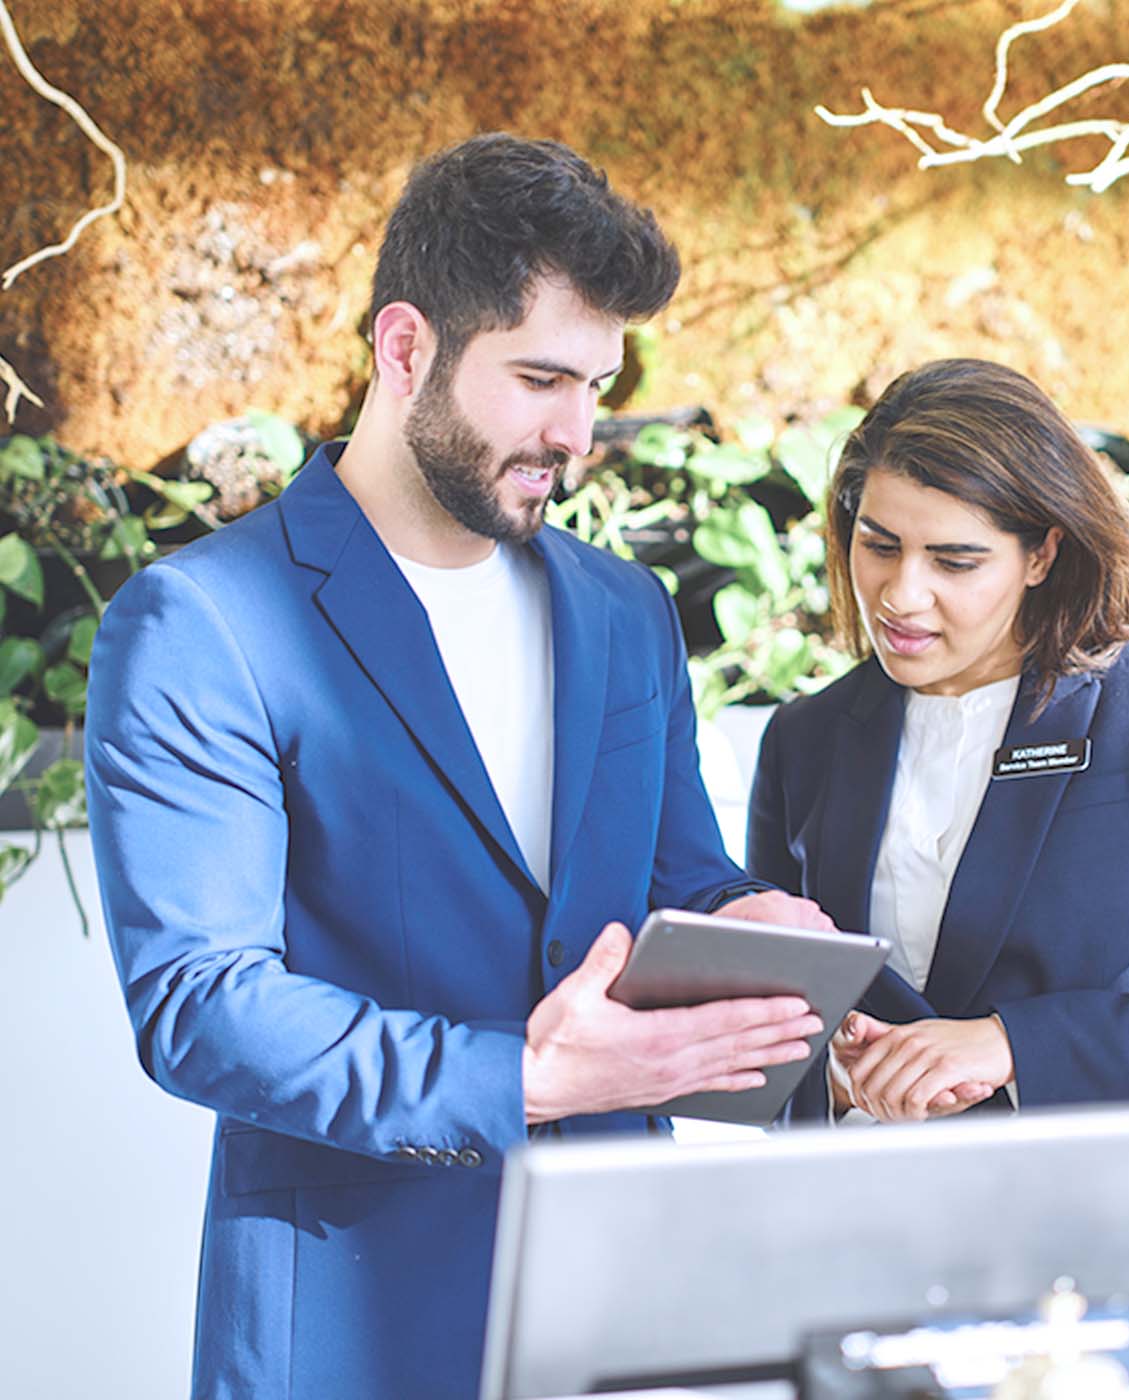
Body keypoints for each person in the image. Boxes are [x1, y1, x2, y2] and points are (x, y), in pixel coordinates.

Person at [85, 133, 830, 1400]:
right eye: (540, 377)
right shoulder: (200, 622)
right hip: (348, 1322)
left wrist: (738, 918)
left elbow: (673, 873)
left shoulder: (625, 609)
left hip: (618, 1306)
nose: (577, 432)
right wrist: (523, 1079)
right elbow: (199, 1004)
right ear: (405, 348)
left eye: (598, 383)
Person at [746, 358, 1129, 1125]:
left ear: (1043, 554)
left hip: (1098, 1217)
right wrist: (829, 1073)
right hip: (866, 1217)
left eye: (954, 560)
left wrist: (1012, 1047)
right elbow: (767, 1039)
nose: (901, 594)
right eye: (878, 545)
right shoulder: (805, 739)